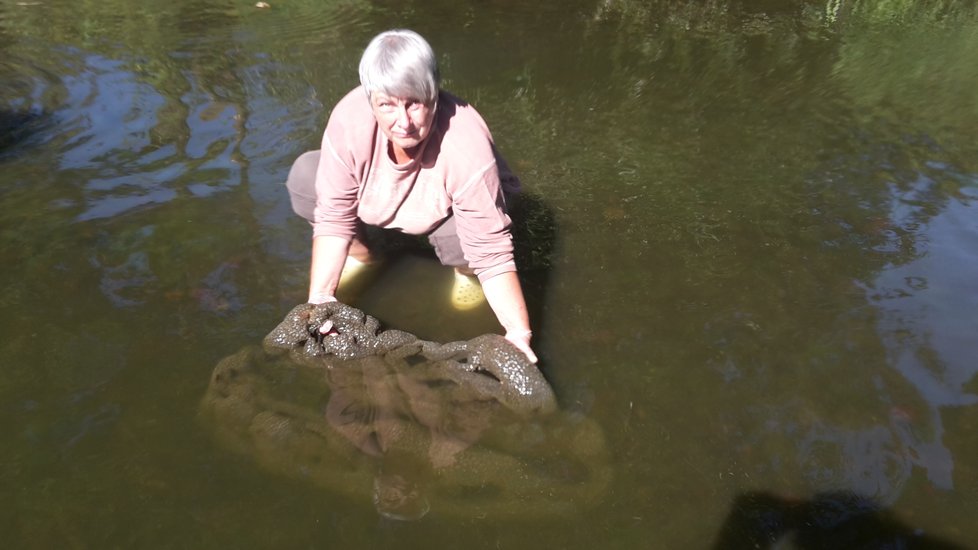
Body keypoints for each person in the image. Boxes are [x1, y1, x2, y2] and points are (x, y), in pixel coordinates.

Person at [285, 29, 537, 363]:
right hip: (384, 195)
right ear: (370, 99)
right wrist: (320, 298)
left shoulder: (465, 145)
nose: (402, 122)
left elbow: (492, 252)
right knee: (305, 176)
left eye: (414, 103)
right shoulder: (349, 120)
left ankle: (464, 272)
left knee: (468, 244)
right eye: (386, 105)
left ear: (433, 95)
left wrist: (518, 334)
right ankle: (362, 255)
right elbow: (333, 216)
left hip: (449, 208)